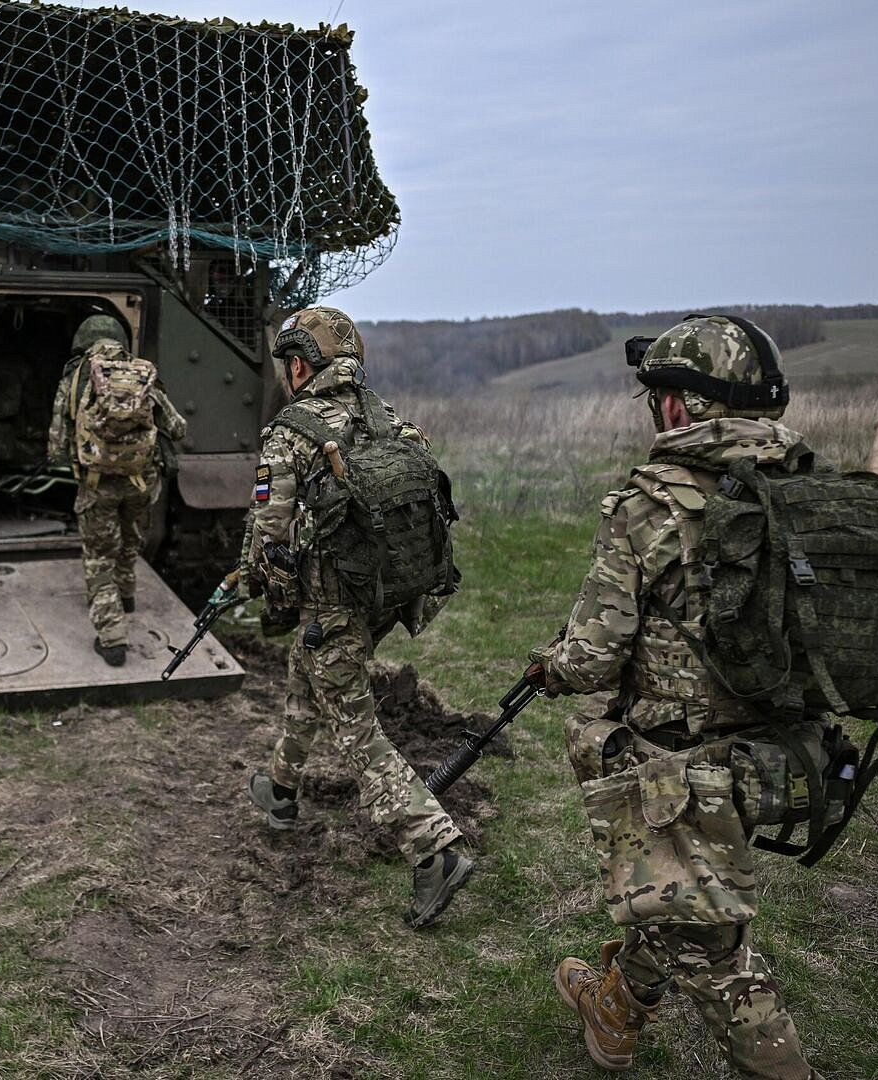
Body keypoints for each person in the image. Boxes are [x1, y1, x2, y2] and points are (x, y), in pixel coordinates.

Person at [530, 314, 820, 1078]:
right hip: (787, 759)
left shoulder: (650, 504)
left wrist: (551, 666)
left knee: (720, 961)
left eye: (657, 396)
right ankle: (614, 1012)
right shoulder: (805, 491)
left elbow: (593, 658)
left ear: (680, 405)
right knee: (679, 901)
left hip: (686, 774)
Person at [240, 305, 474, 929]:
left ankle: (434, 847)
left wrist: (261, 584)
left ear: (299, 366)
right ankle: (281, 789)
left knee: (356, 731)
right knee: (308, 673)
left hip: (332, 602)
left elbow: (269, 534)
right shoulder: (389, 419)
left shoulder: (290, 432)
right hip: (383, 599)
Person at [47, 314, 186, 665]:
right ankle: (126, 596)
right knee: (130, 540)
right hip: (141, 481)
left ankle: (112, 639)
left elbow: (56, 443)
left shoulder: (76, 377)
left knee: (99, 557)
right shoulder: (142, 375)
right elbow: (177, 427)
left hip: (97, 485)